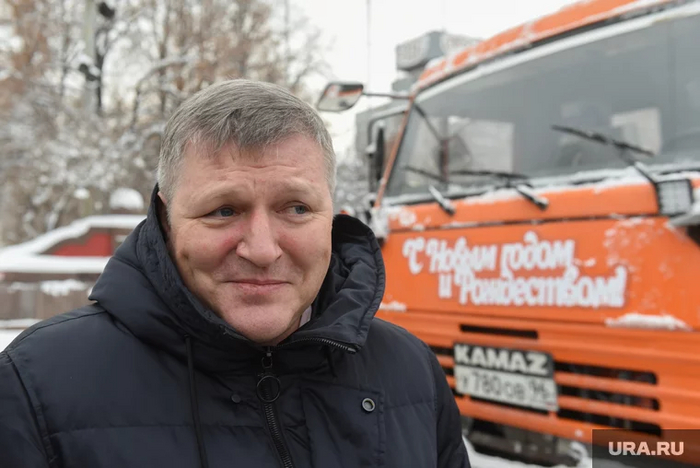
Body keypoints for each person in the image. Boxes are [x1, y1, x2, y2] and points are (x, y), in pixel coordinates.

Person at [0, 79, 470, 468]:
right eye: (223, 210)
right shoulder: (34, 388)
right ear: (166, 219)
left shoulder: (411, 372)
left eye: (296, 208)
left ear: (331, 215)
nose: (262, 250)